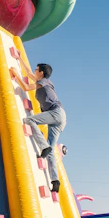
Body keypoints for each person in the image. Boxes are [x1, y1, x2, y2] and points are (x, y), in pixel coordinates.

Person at [9, 55, 66, 193]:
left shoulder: (45, 81)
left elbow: (27, 87)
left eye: (36, 69)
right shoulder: (43, 82)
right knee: (51, 152)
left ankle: (43, 146)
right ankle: (55, 181)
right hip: (60, 118)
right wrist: (20, 59)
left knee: (30, 120)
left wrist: (16, 74)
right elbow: (28, 73)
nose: (34, 71)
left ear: (41, 72)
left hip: (56, 113)